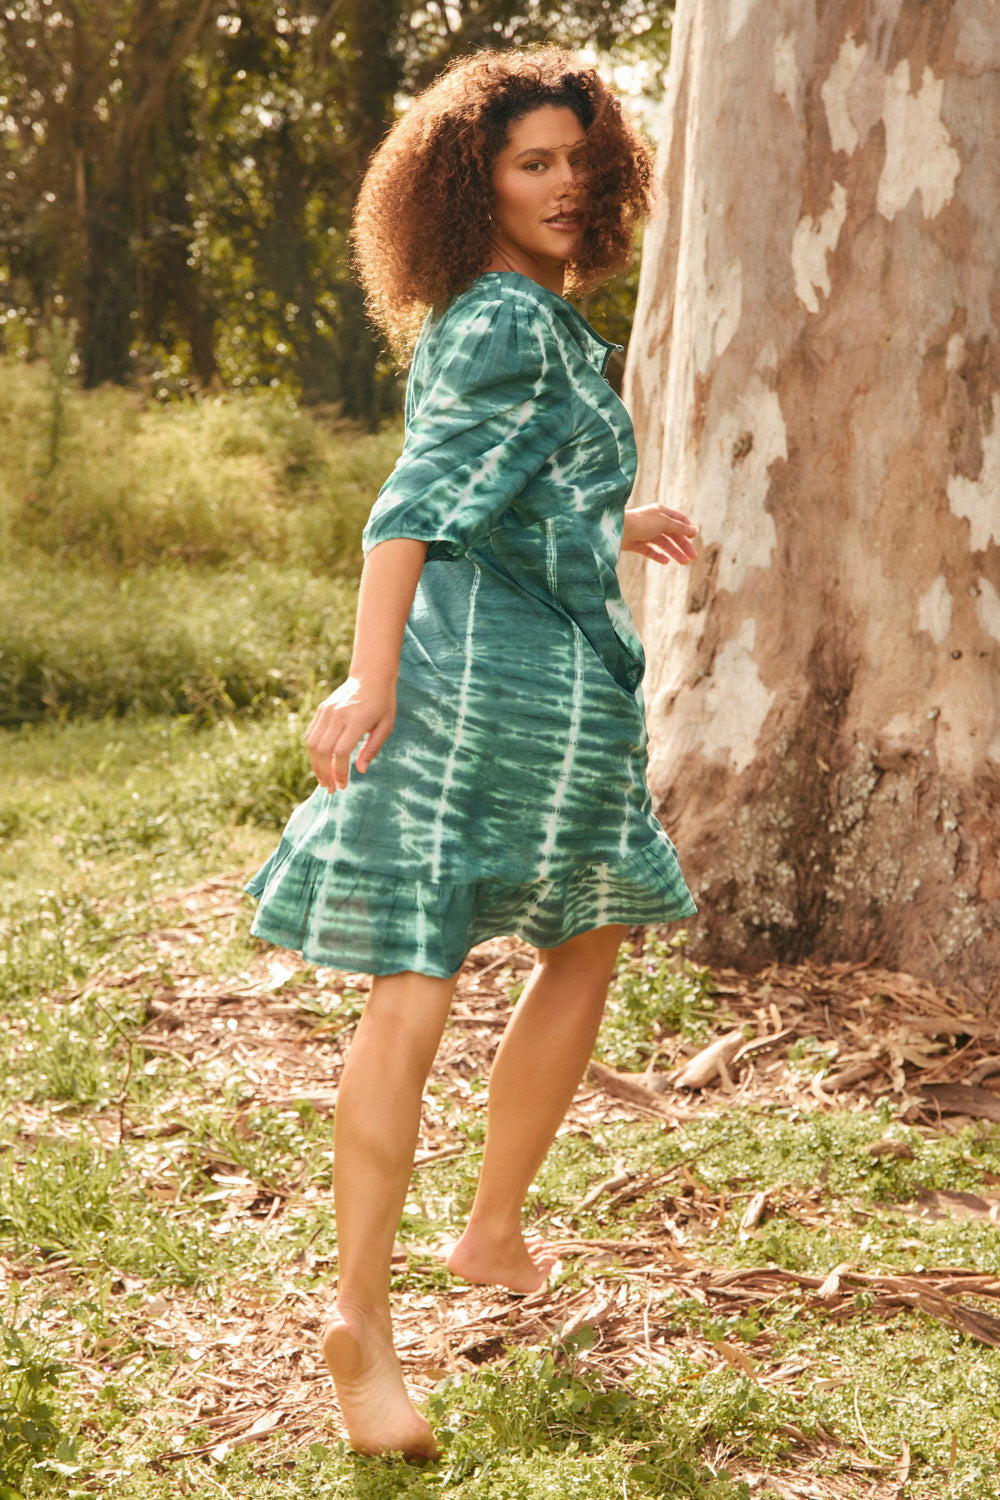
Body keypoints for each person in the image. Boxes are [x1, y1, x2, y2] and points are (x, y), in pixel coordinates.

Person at [246, 47, 698, 1459]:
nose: (564, 185)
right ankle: (376, 1316)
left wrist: (609, 519)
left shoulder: (524, 319)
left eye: (578, 159)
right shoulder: (509, 319)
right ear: (472, 182)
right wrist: (369, 674)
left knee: (572, 937)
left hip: (555, 695)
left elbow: (506, 484)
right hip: (481, 693)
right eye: (530, 163)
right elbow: (410, 507)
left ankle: (465, 1248)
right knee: (432, 983)